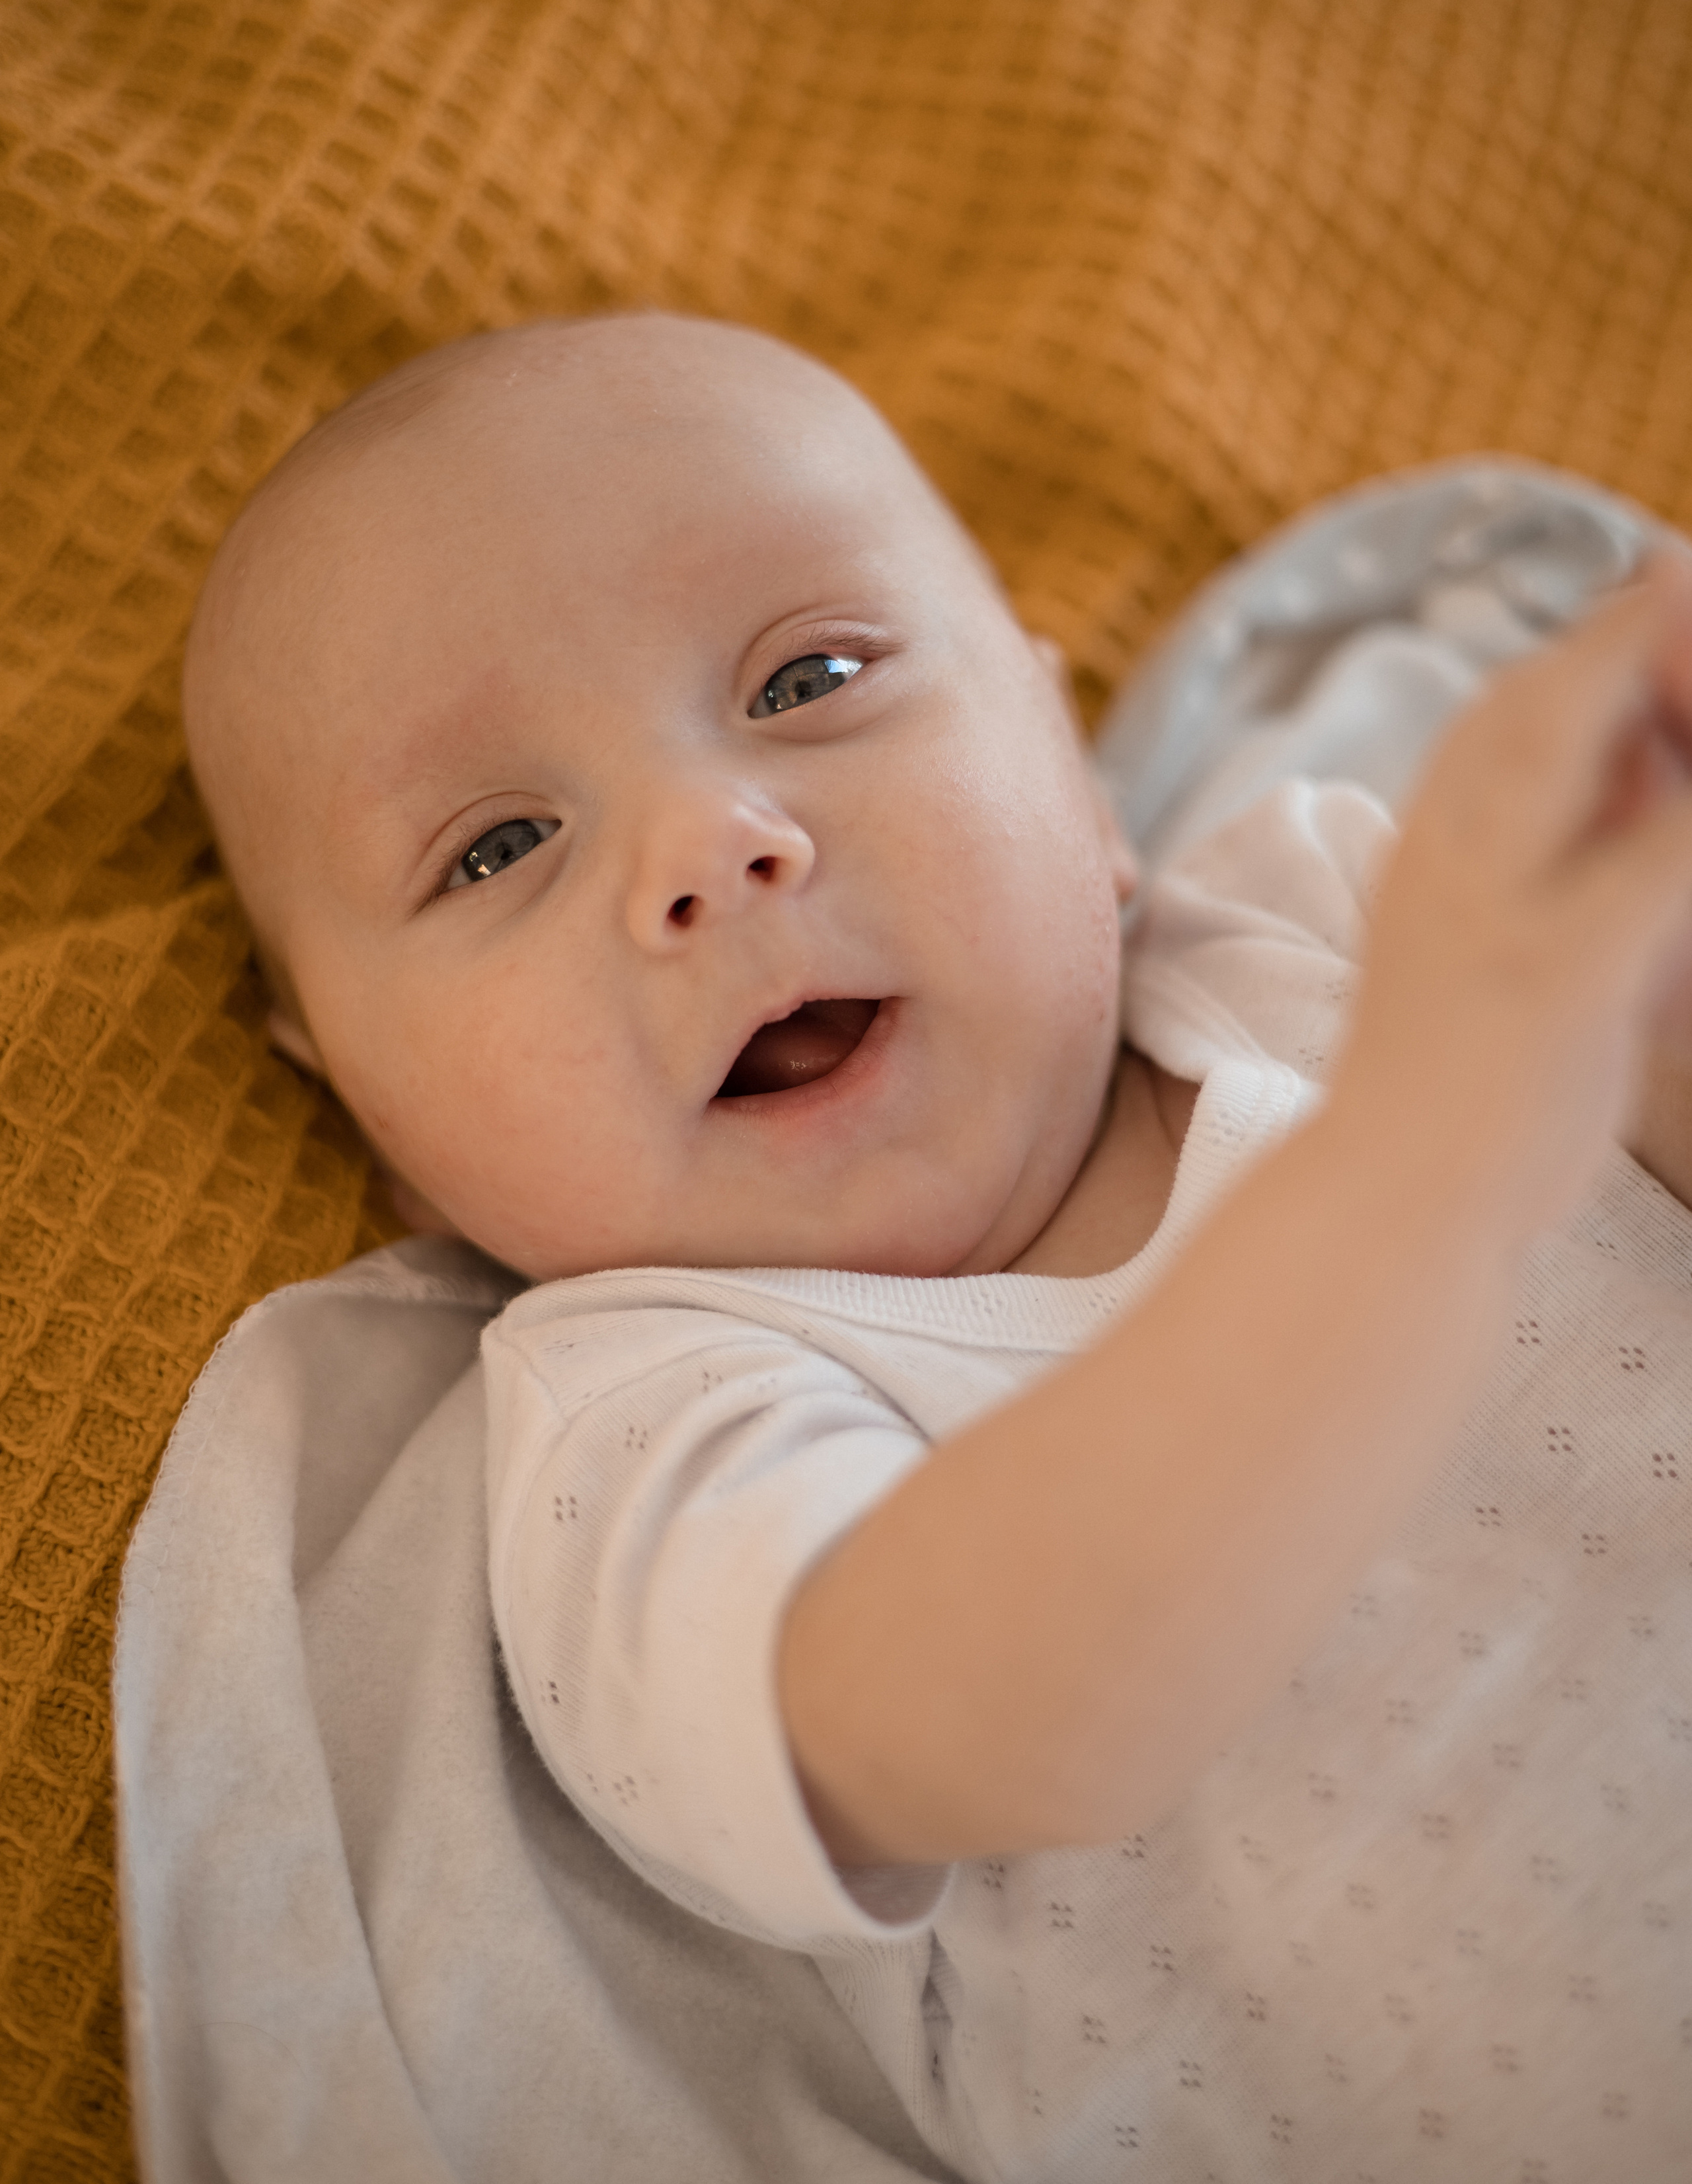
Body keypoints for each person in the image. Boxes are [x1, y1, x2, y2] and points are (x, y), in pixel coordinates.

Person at [182, 312, 1692, 2178]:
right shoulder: (648, 1433)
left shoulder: (1342, 924)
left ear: (1072, 765)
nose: (711, 840)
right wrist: (1440, 1136)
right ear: (368, 1117)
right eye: (496, 850)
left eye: (808, 675)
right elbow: (1043, 1714)